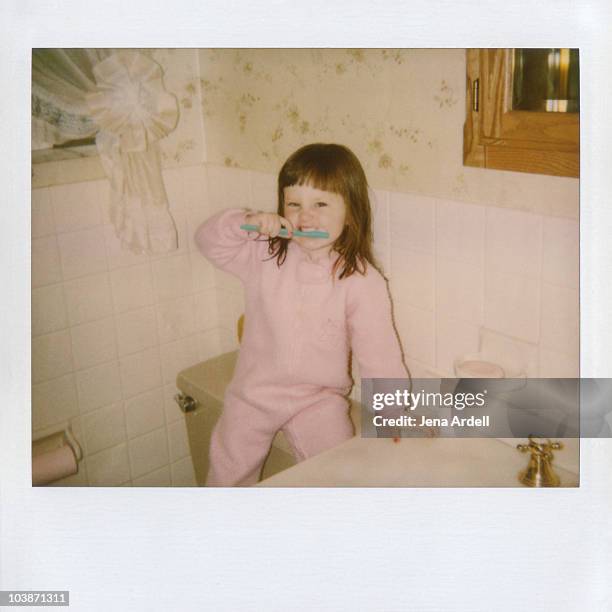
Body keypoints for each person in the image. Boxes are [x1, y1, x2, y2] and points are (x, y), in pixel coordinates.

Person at [195, 143, 409, 486]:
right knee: (227, 478)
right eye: (293, 204)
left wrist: (391, 416)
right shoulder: (265, 252)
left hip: (319, 399)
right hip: (254, 393)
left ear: (351, 211)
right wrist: (245, 222)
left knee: (340, 476)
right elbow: (208, 241)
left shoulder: (361, 280)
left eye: (321, 204)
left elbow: (380, 356)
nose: (305, 216)